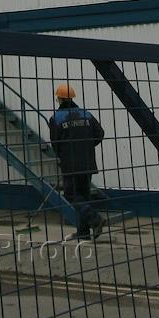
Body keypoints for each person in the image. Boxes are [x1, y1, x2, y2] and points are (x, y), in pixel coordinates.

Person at [49, 83, 105, 239]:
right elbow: (100, 134)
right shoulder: (86, 114)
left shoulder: (56, 118)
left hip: (71, 164)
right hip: (87, 162)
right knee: (84, 197)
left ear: (59, 99)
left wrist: (64, 155)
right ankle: (83, 233)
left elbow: (55, 143)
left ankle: (96, 219)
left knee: (72, 195)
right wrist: (86, 146)